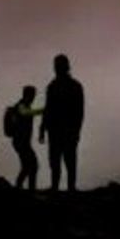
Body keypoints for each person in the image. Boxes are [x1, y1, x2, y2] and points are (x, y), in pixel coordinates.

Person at [40, 53, 84, 191]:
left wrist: (43, 128)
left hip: (62, 130)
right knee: (61, 161)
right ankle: (62, 187)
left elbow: (78, 111)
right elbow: (48, 109)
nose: (56, 68)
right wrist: (42, 128)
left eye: (58, 66)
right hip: (60, 130)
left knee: (63, 160)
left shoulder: (58, 86)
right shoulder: (69, 86)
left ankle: (61, 187)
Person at [5, 85, 45, 190]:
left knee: (28, 166)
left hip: (22, 142)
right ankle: (29, 188)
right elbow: (25, 113)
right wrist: (43, 110)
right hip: (20, 142)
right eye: (32, 95)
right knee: (32, 165)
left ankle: (20, 186)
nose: (33, 98)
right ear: (28, 94)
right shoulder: (21, 105)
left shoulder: (24, 105)